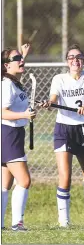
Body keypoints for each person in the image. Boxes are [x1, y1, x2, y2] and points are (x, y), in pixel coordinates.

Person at [39, 44, 84, 227]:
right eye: (71, 57)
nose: (75, 60)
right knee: (65, 176)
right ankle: (64, 221)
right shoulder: (59, 79)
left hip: (83, 129)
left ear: (83, 61)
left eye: (78, 57)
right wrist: (49, 104)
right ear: (67, 61)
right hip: (63, 130)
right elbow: (53, 100)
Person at [1, 44, 35, 231]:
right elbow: (2, 112)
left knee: (4, 184)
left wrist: (23, 55)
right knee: (24, 180)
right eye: (16, 59)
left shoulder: (13, 81)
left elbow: (17, 67)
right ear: (6, 66)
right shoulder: (6, 85)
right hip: (8, 134)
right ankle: (17, 224)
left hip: (12, 134)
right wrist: (24, 116)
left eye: (21, 58)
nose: (21, 61)